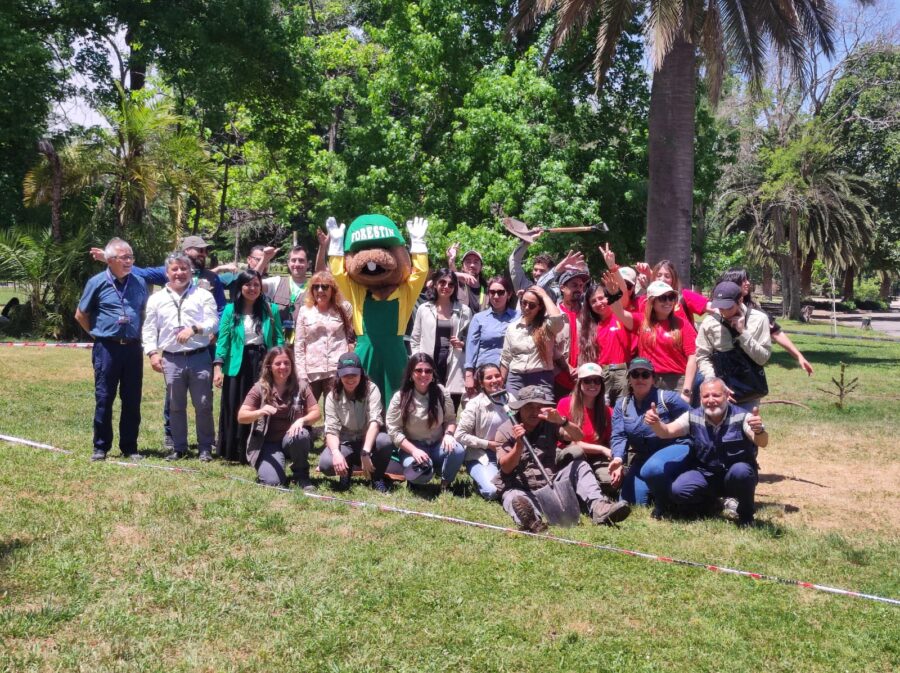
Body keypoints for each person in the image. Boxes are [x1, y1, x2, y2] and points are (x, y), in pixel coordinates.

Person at [492, 386, 631, 533]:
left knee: (580, 466)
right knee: (513, 498)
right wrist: (518, 446)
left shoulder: (549, 424)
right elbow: (506, 468)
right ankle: (532, 521)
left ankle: (599, 507)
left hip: (551, 480)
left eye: (539, 407)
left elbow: (578, 436)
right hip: (520, 486)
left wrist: (562, 421)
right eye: (529, 407)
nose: (535, 412)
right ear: (520, 408)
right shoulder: (505, 431)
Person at [646, 377, 768, 526]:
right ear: (700, 398)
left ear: (726, 395)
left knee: (742, 471)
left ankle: (746, 516)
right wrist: (656, 424)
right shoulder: (692, 416)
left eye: (716, 395)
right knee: (679, 490)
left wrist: (759, 431)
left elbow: (762, 442)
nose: (711, 400)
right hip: (706, 475)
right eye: (706, 396)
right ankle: (711, 505)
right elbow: (667, 432)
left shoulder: (743, 417)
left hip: (733, 476)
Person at [75, 238, 149, 462]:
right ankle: (101, 447)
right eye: (124, 258)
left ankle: (130, 447)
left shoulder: (139, 282)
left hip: (133, 348)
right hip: (107, 348)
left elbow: (144, 312)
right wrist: (97, 335)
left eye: (131, 257)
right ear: (110, 260)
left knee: (132, 398)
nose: (129, 262)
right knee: (104, 397)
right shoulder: (97, 282)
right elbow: (81, 314)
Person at [141, 252, 219, 461]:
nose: (179, 273)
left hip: (199, 356)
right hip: (171, 359)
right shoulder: (156, 299)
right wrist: (152, 353)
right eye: (174, 269)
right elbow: (149, 328)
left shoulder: (203, 295)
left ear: (190, 271)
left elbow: (213, 322)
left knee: (203, 404)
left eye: (184, 269)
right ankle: (179, 447)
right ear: (167, 273)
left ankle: (205, 447)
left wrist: (194, 329)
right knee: (175, 405)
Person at [214, 270, 285, 462]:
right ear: (240, 287)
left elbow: (278, 338)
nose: (252, 288)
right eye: (248, 284)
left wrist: (278, 360)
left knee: (261, 402)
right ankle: (234, 450)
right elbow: (223, 340)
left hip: (263, 361)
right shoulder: (230, 310)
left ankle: (260, 447)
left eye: (256, 284)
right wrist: (218, 367)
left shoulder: (271, 309)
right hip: (237, 363)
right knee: (235, 404)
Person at [607, 358, 692, 515]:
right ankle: (658, 491)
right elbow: (619, 435)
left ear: (653, 378)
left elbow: (694, 418)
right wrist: (618, 458)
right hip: (643, 457)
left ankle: (665, 506)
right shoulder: (622, 405)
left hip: (676, 449)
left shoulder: (668, 399)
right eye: (635, 374)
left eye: (645, 374)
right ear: (629, 378)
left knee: (653, 468)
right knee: (629, 501)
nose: (640, 379)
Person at [237, 347, 318, 489]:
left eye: (287, 363)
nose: (283, 367)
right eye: (278, 363)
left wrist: (302, 420)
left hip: (292, 438)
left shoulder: (301, 386)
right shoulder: (259, 388)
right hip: (268, 443)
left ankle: (301, 475)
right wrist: (260, 412)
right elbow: (241, 417)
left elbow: (316, 413)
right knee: (273, 483)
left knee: (300, 434)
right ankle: (276, 466)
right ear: (269, 366)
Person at [608, 279, 698, 403]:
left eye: (671, 297)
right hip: (648, 380)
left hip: (677, 382)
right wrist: (612, 295)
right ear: (651, 302)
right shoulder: (642, 322)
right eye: (662, 298)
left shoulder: (682, 324)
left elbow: (693, 356)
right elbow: (620, 313)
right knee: (649, 415)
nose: (668, 302)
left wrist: (686, 390)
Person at [385, 354, 466, 491]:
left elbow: (450, 419)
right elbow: (394, 431)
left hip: (437, 446)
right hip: (413, 448)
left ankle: (445, 483)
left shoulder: (441, 392)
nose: (424, 374)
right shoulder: (400, 397)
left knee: (457, 449)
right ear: (411, 373)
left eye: (428, 371)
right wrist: (414, 451)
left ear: (433, 373)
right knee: (422, 474)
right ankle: (420, 476)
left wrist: (448, 434)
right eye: (419, 370)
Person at [318, 352, 395, 493]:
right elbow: (331, 430)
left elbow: (375, 421)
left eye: (354, 374)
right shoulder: (332, 397)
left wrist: (365, 452)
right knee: (326, 463)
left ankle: (377, 478)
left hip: (368, 442)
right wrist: (336, 453)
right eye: (345, 375)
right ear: (339, 375)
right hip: (345, 443)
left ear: (361, 373)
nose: (350, 379)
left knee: (385, 441)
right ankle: (345, 472)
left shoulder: (372, 389)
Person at [718, 268, 814, 376]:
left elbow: (776, 333)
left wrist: (799, 356)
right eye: (743, 280)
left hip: (747, 371)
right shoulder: (716, 309)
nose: (748, 283)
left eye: (747, 279)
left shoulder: (755, 311)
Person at [695, 281, 771, 411]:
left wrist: (742, 333)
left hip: (749, 389)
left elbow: (762, 358)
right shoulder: (709, 323)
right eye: (720, 307)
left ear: (740, 300)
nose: (724, 312)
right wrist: (715, 384)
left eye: (728, 307)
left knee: (746, 423)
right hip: (718, 391)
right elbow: (702, 356)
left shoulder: (759, 319)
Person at [410, 268, 473, 410]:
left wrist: (462, 343)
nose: (446, 287)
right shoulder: (424, 309)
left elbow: (471, 340)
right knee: (427, 403)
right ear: (435, 284)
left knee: (450, 404)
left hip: (453, 360)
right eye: (442, 282)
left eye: (451, 284)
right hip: (428, 360)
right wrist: (417, 359)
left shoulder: (464, 311)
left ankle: (448, 424)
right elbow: (415, 338)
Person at [294, 271, 354, 401]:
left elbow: (351, 334)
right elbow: (299, 345)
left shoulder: (344, 309)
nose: (320, 290)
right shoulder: (304, 311)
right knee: (307, 410)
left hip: (336, 370)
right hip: (311, 371)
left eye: (325, 286)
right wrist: (301, 375)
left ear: (333, 290)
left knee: (335, 410)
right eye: (316, 287)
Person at [556, 362, 615, 494]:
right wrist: (602, 449)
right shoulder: (565, 404)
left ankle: (591, 484)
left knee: (611, 482)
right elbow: (570, 443)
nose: (592, 385)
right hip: (569, 455)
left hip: (596, 458)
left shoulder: (607, 411)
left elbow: (612, 441)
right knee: (576, 451)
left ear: (601, 384)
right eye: (587, 380)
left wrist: (616, 461)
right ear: (579, 383)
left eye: (597, 381)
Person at [454, 364, 508, 500]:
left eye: (497, 376)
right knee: (493, 491)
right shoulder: (474, 404)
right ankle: (480, 478)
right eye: (489, 378)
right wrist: (488, 444)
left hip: (508, 453)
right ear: (481, 383)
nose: (494, 380)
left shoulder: (510, 399)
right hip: (482, 455)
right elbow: (460, 435)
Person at [500, 285, 565, 395]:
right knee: (512, 406)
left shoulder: (547, 326)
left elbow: (557, 320)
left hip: (541, 378)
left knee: (542, 407)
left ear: (540, 307)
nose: (526, 307)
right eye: (524, 303)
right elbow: (506, 357)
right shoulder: (512, 328)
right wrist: (501, 381)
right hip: (516, 378)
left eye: (532, 305)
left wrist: (544, 296)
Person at [577, 282, 633, 406]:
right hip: (601, 375)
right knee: (602, 411)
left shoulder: (621, 316)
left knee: (623, 410)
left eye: (601, 298)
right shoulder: (589, 327)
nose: (598, 303)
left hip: (623, 373)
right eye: (593, 301)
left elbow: (625, 293)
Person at [262, 241, 329, 342]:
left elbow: (322, 274)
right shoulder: (276, 282)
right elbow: (250, 283)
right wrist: (265, 259)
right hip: (279, 344)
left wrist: (323, 246)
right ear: (288, 263)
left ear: (308, 264)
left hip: (307, 344)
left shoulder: (316, 287)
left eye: (301, 260)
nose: (297, 264)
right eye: (293, 260)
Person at [463, 275, 518, 397]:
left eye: (500, 292)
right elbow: (471, 347)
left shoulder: (518, 317)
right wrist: (469, 375)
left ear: (509, 295)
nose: (496, 296)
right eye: (492, 292)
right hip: (486, 374)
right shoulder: (479, 318)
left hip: (512, 374)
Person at [553, 268, 591, 396]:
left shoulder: (588, 315)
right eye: (574, 285)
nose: (579, 289)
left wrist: (583, 368)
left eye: (581, 286)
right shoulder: (553, 315)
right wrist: (566, 367)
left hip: (584, 377)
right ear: (562, 288)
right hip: (557, 378)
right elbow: (549, 345)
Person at [447, 244, 488, 314]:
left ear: (481, 267)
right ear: (462, 267)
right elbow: (449, 275)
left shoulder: (487, 290)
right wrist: (451, 260)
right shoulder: (458, 285)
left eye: (476, 262)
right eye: (468, 262)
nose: (472, 265)